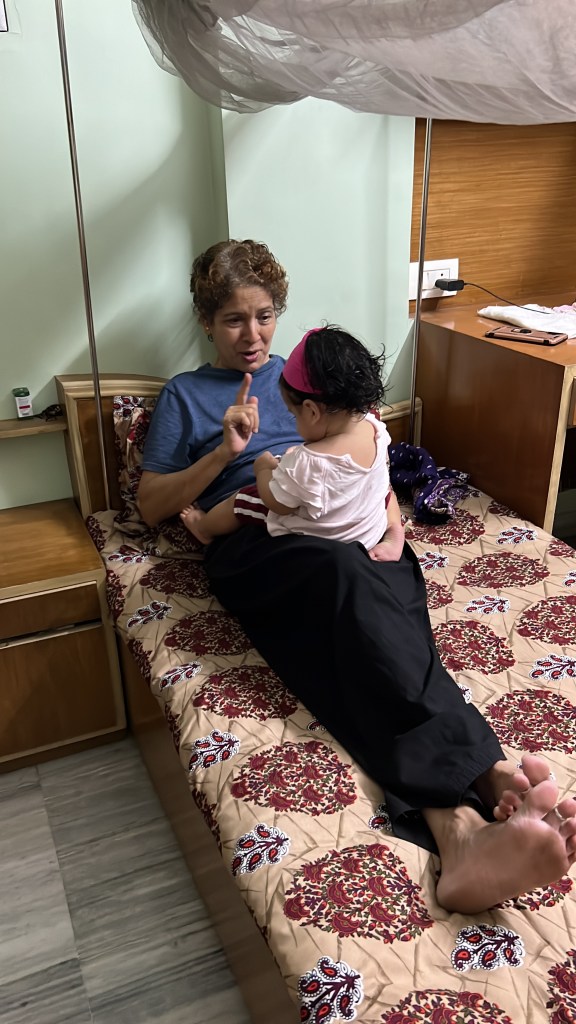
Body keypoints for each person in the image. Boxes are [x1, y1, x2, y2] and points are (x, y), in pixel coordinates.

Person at [138, 238, 576, 914]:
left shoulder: (306, 375)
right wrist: (223, 453)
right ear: (205, 322)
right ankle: (476, 784)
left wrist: (392, 525)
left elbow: (364, 466)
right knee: (351, 593)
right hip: (254, 538)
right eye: (233, 320)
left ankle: (469, 812)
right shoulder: (185, 395)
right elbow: (149, 505)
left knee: (383, 614)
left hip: (338, 531)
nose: (252, 335)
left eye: (264, 316)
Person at [179, 325, 405, 561]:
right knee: (380, 487)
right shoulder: (375, 429)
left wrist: (263, 469)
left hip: (322, 545)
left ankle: (203, 527)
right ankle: (393, 531)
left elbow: (277, 504)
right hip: (366, 533)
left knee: (244, 499)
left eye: (293, 415)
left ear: (311, 411)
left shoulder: (308, 460)